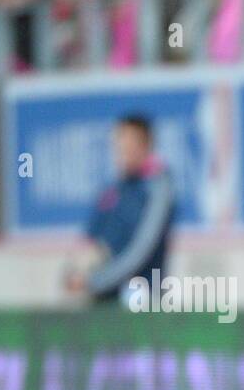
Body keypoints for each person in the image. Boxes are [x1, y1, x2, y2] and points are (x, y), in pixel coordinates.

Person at [67, 114, 175, 305]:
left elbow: (141, 250)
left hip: (141, 297)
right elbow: (90, 242)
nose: (122, 152)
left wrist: (95, 281)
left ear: (145, 146)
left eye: (129, 145)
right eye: (119, 145)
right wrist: (75, 271)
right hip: (105, 298)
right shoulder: (113, 190)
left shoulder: (158, 189)